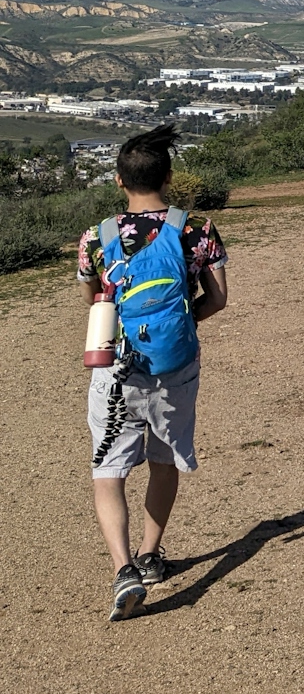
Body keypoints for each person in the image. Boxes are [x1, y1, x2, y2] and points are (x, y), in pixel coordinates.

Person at [77, 124, 228, 621]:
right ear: (168, 177)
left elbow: (95, 304)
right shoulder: (196, 229)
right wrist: (182, 326)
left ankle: (123, 569)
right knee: (163, 462)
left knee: (109, 472)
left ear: (119, 181)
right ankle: (149, 555)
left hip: (116, 368)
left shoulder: (97, 238)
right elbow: (219, 299)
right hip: (176, 366)